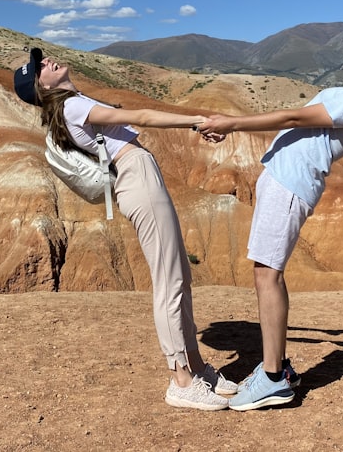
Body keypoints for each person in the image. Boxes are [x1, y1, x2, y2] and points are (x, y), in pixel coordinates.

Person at [197, 50, 343, 411]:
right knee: (265, 272)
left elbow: (295, 116)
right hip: (282, 179)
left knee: (267, 274)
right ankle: (278, 369)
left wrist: (231, 124)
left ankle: (274, 378)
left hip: (289, 185)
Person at [14, 48, 237, 411]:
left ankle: (196, 367)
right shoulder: (72, 108)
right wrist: (198, 120)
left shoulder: (74, 101)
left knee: (179, 273)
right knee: (169, 280)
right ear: (42, 87)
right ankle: (180, 379)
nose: (48, 61)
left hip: (140, 174)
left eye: (43, 60)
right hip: (136, 178)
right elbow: (143, 115)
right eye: (40, 68)